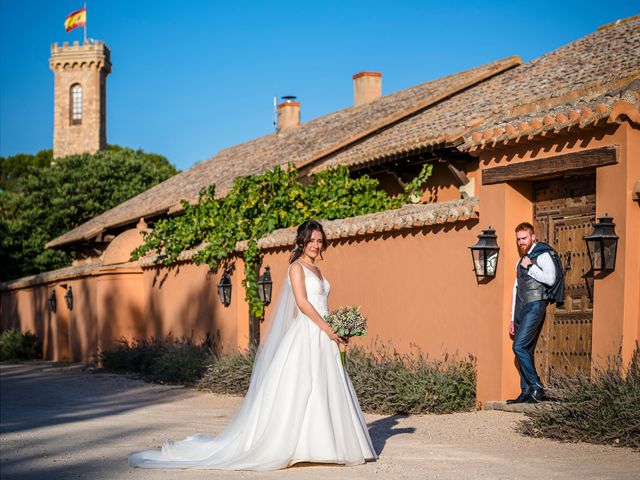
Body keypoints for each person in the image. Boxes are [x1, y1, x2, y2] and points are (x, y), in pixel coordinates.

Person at [128, 220, 378, 470]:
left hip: (325, 333)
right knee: (302, 387)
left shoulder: (319, 270)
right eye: (311, 240)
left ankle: (328, 444)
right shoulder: (296, 268)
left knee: (326, 386)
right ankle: (298, 445)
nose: (316, 245)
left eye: (319, 241)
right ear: (301, 241)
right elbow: (302, 303)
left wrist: (337, 328)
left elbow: (321, 302)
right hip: (309, 333)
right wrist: (328, 328)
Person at [507, 222, 564, 404]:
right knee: (526, 349)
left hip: (535, 305)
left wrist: (530, 267)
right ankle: (526, 391)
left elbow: (550, 278)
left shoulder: (543, 254)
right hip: (521, 308)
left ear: (533, 237)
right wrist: (511, 317)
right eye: (518, 239)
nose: (521, 242)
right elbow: (516, 288)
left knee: (519, 347)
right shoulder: (520, 260)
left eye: (524, 238)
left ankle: (536, 386)